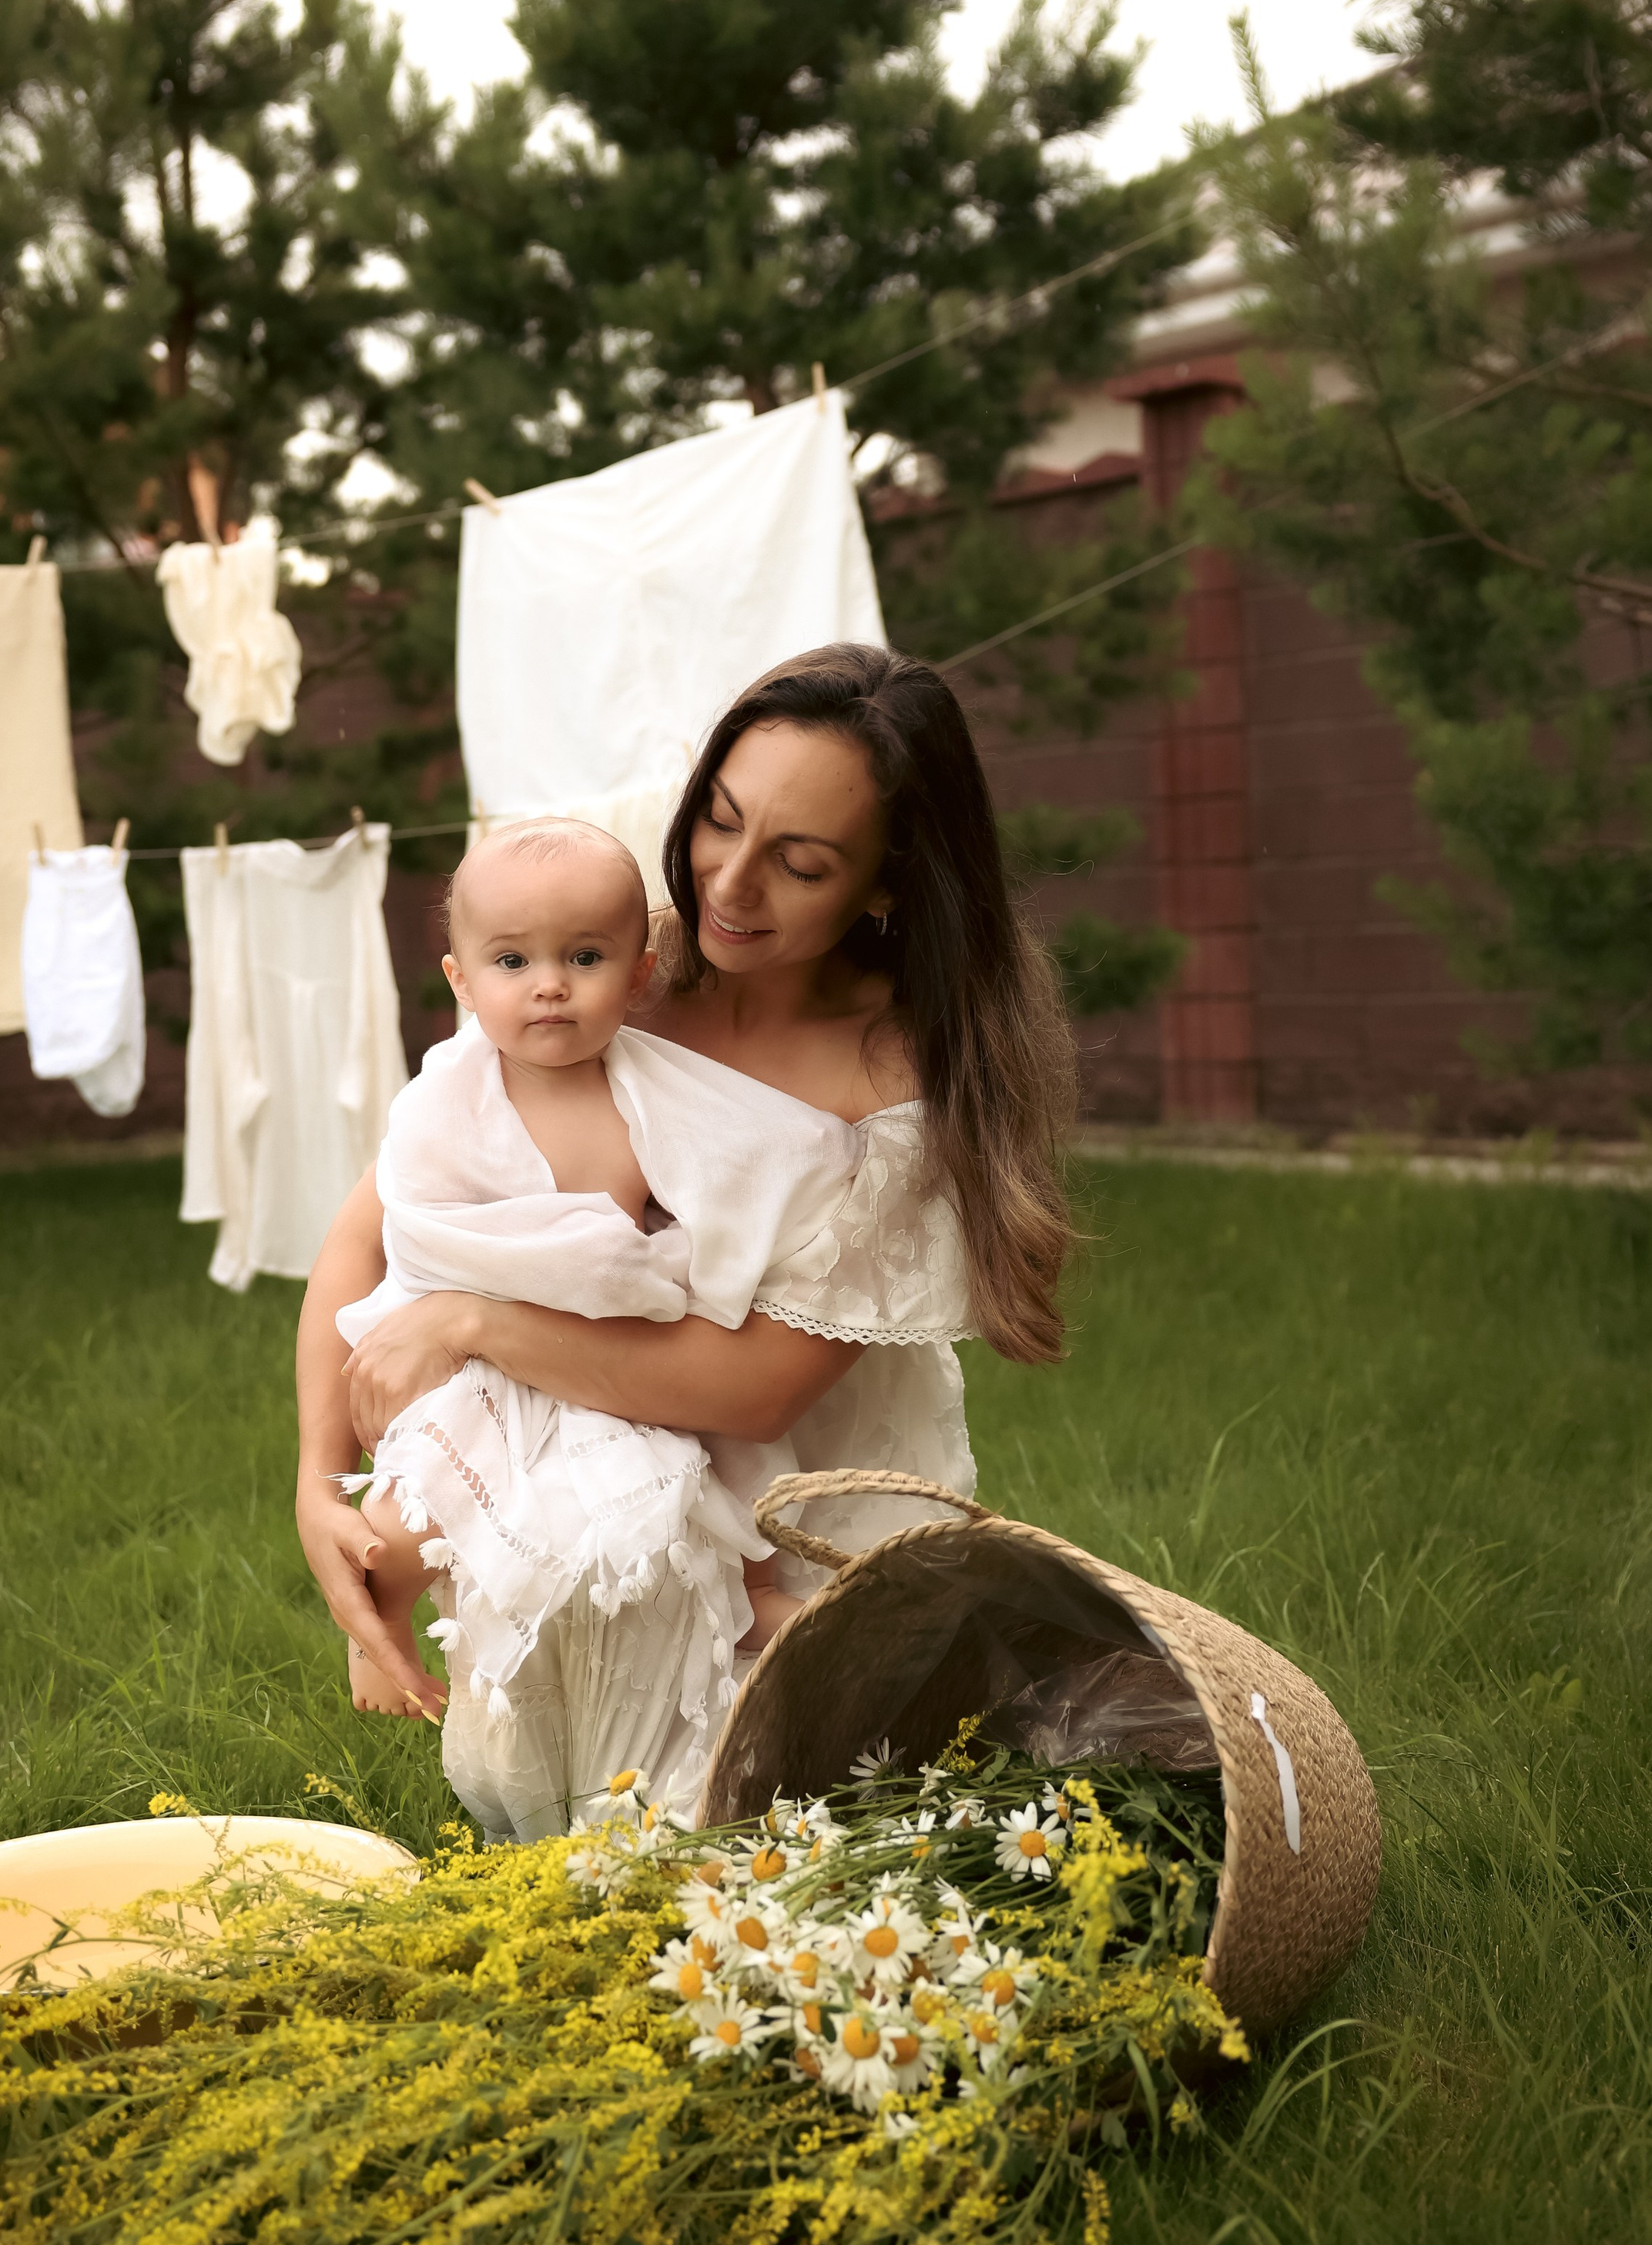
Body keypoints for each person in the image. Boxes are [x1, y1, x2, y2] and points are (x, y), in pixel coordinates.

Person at [296, 642, 1076, 1832]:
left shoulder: (898, 1093)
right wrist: (317, 1478)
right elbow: (379, 1220)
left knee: (747, 1839)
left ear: (886, 886)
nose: (729, 886)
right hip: (578, 1459)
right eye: (719, 820)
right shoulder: (621, 969)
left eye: (799, 864)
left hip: (784, 1509)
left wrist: (469, 1321)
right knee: (567, 1828)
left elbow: (752, 1392)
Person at [333, 813, 860, 1777]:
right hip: (478, 1366)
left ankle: (752, 1604)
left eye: (583, 957)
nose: (548, 985)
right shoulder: (447, 1100)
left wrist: (653, 1268)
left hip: (610, 1360)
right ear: (459, 981)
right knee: (410, 1519)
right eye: (511, 961)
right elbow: (417, 1222)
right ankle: (383, 1633)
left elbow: (745, 1166)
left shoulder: (651, 1092)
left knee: (717, 1487)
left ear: (638, 975)